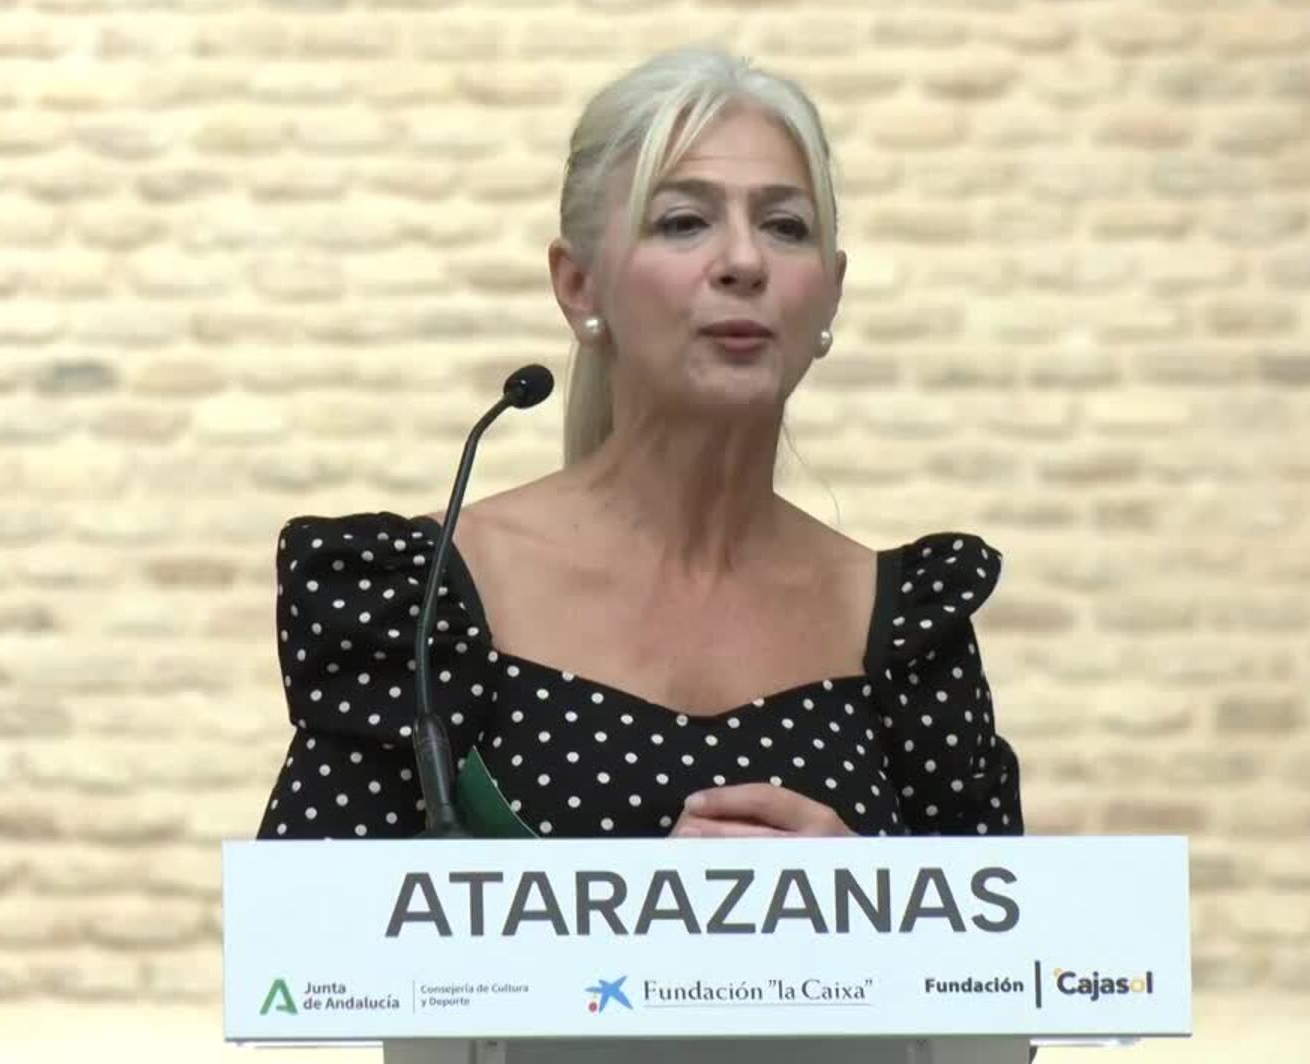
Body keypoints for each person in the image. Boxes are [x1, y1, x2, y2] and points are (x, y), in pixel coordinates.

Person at [256, 47, 1022, 841]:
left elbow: (1006, 921)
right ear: (578, 286)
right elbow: (319, 917)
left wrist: (867, 892)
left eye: (785, 226)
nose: (744, 261)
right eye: (683, 222)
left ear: (830, 293)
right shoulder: (418, 609)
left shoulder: (909, 635)